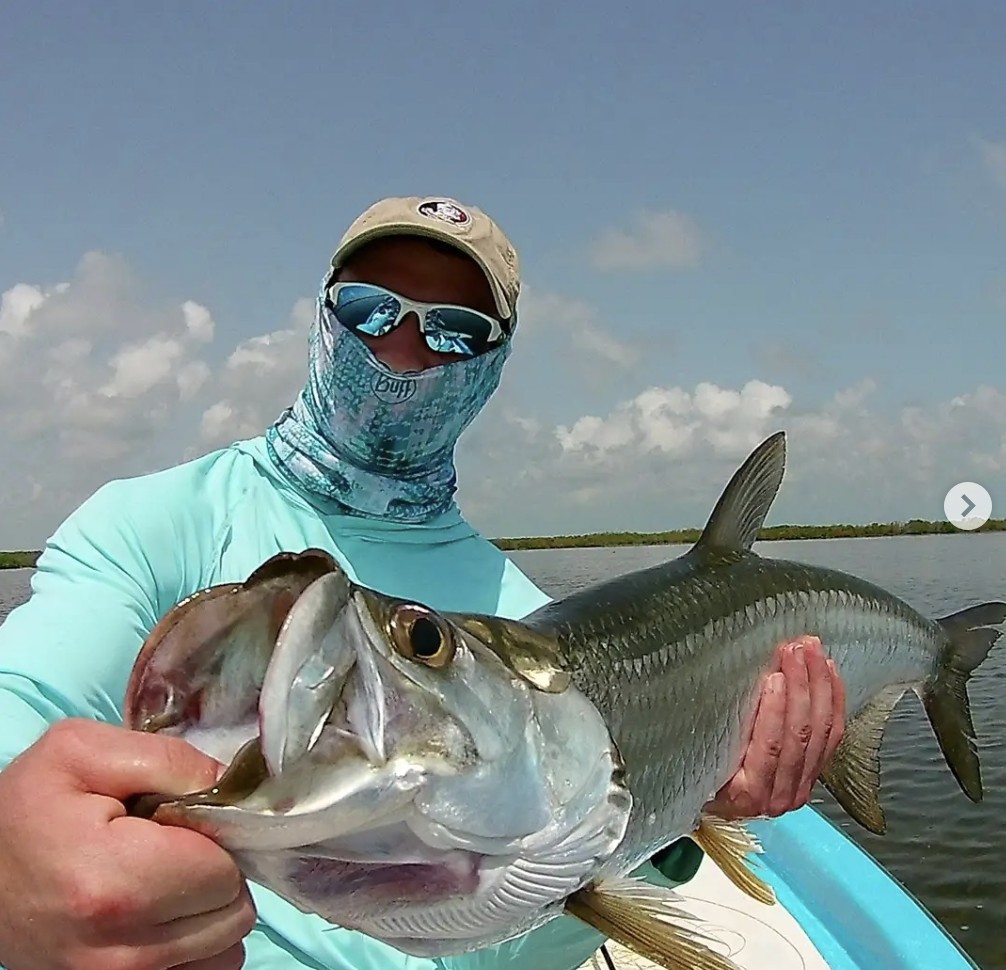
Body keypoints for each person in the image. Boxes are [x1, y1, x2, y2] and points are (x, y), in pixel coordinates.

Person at [0, 196, 845, 970]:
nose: (401, 350)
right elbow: (21, 710)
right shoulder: (153, 524)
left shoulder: (524, 617)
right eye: (370, 309)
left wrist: (680, 813)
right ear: (323, 315)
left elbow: (499, 937)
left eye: (454, 331)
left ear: (494, 363)